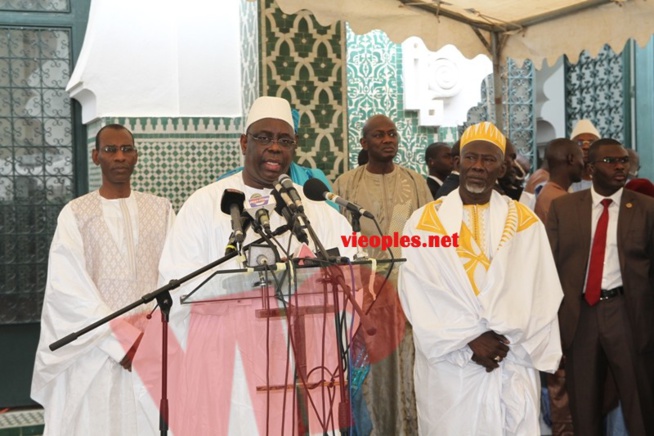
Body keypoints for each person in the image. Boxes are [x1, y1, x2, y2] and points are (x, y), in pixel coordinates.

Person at [145, 96, 355, 435]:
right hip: (228, 365)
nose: (274, 148)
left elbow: (352, 272)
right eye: (264, 137)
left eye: (284, 140)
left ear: (295, 147)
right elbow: (177, 282)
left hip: (301, 366)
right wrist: (244, 285)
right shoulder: (206, 205)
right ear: (244, 142)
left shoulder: (314, 211)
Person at [399, 121, 563, 435]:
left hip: (510, 354)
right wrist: (471, 338)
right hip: (451, 364)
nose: (478, 166)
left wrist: (503, 338)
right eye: (471, 157)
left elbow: (540, 290)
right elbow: (416, 289)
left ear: (502, 168)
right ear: (456, 161)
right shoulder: (422, 222)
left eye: (488, 160)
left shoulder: (526, 222)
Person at [31, 124, 175, 435]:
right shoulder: (76, 214)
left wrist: (145, 336)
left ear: (136, 156)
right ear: (96, 156)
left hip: (148, 345)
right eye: (110, 150)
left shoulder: (160, 209)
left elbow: (174, 276)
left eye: (127, 149)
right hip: (94, 349)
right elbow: (67, 289)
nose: (120, 156)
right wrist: (120, 341)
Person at [332, 114, 432, 435]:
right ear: (364, 143)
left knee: (410, 372)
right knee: (371, 380)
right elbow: (337, 242)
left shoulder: (416, 182)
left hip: (409, 295)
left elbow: (431, 236)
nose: (388, 140)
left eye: (392, 134)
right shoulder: (346, 185)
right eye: (379, 135)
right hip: (366, 300)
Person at [547, 138, 654, 435]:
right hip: (580, 316)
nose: (620, 166)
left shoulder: (646, 208)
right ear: (591, 169)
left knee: (640, 404)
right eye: (611, 161)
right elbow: (550, 268)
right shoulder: (563, 208)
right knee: (584, 406)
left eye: (623, 160)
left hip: (628, 315)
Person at [532, 138, 584, 435]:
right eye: (579, 157)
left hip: (562, 302)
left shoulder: (556, 195)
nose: (583, 163)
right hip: (559, 305)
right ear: (567, 159)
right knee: (561, 383)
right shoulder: (554, 199)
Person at [534, 138, 584, 225]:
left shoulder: (548, 192)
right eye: (581, 158)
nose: (583, 164)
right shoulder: (561, 201)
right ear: (571, 159)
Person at [569, 119, 600, 192]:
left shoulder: (608, 179)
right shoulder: (565, 180)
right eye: (580, 143)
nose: (586, 147)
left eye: (591, 142)